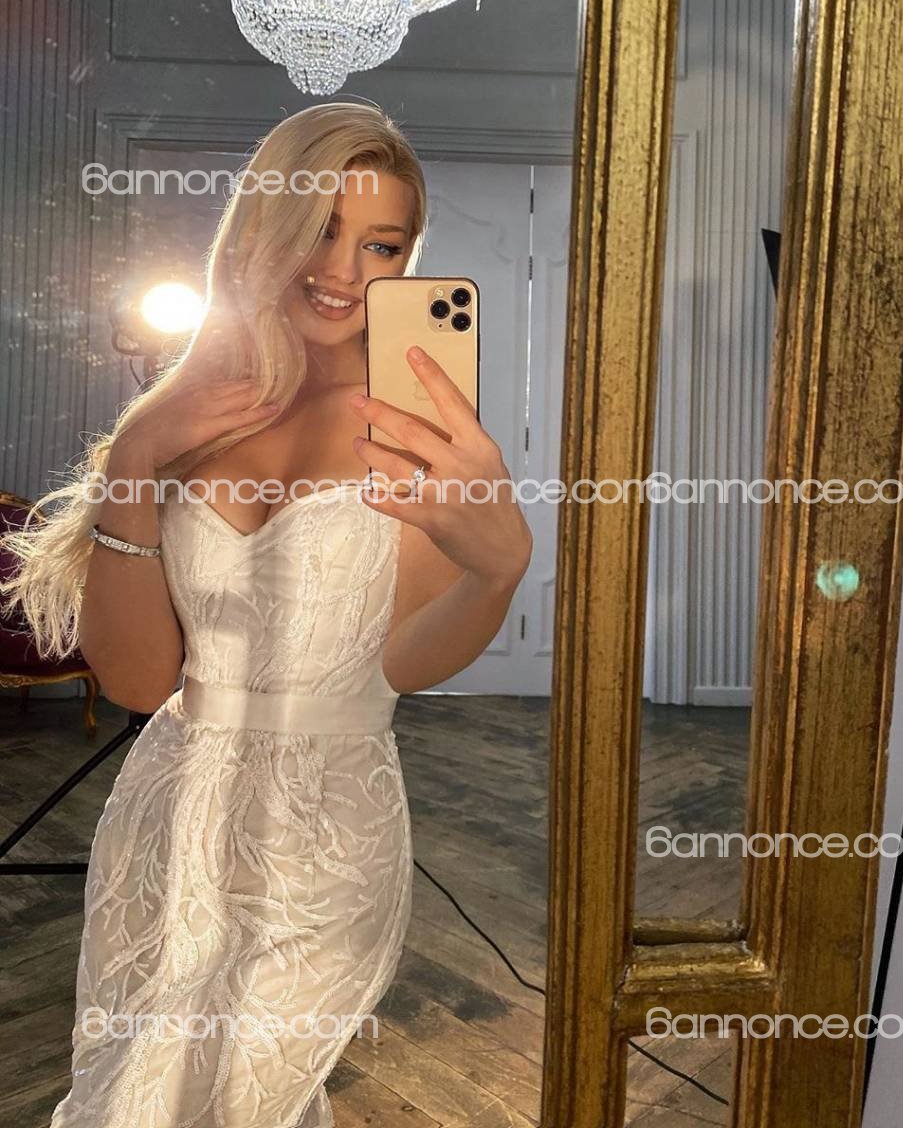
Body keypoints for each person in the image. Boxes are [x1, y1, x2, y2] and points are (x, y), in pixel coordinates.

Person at [0, 101, 532, 1127]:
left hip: (325, 825)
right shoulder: (190, 409)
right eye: (321, 227)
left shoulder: (411, 424)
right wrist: (138, 457)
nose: (343, 269)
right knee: (130, 1081)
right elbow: (138, 681)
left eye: (381, 244)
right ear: (260, 225)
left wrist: (497, 573)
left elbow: (404, 662)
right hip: (171, 805)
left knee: (236, 1094)